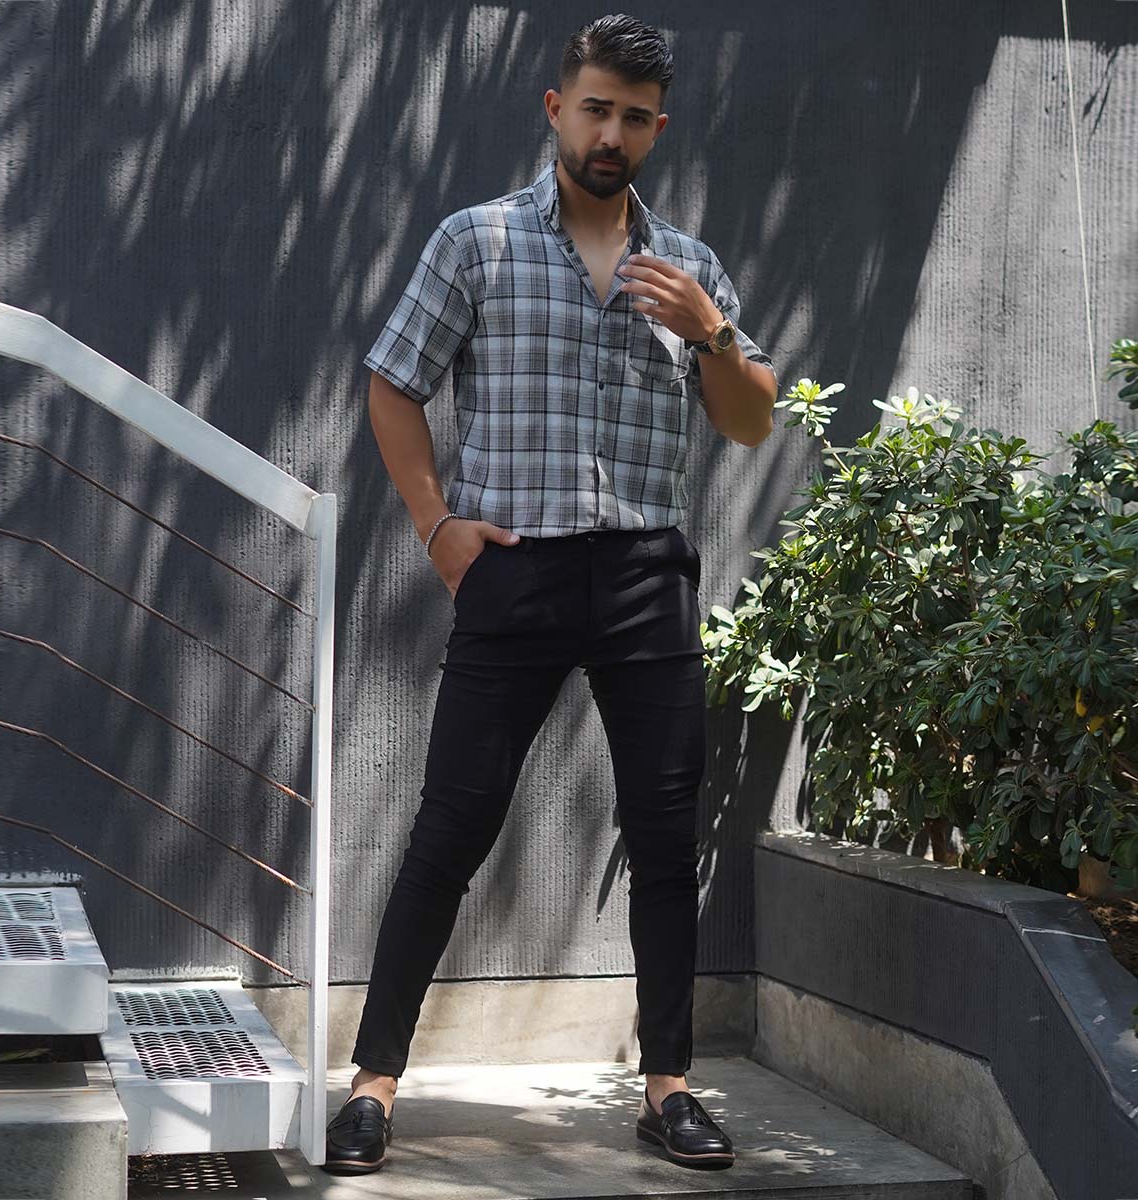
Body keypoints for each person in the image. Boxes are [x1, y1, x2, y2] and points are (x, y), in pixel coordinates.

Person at [323, 12, 777, 1176]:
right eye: (595, 110)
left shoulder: (690, 272)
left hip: (644, 577)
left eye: (635, 118)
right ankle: (373, 1084)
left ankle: (668, 1088)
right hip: (513, 569)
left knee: (664, 838)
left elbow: (750, 420)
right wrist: (437, 528)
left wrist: (713, 333)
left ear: (658, 130)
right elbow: (393, 384)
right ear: (557, 110)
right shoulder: (475, 242)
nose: (611, 134)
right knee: (451, 827)